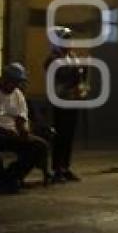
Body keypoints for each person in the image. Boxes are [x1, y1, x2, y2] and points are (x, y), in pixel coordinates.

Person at [0, 63, 50, 187]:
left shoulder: (17, 94)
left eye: (18, 82)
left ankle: (12, 176)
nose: (15, 85)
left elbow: (21, 117)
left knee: (39, 146)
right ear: (4, 78)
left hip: (11, 133)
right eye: (13, 81)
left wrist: (23, 131)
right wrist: (4, 131)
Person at [44, 27, 88, 183]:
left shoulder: (72, 56)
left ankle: (65, 167)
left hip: (73, 100)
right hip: (60, 101)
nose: (69, 42)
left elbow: (80, 77)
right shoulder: (53, 59)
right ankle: (56, 169)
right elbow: (61, 78)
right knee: (60, 135)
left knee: (69, 135)